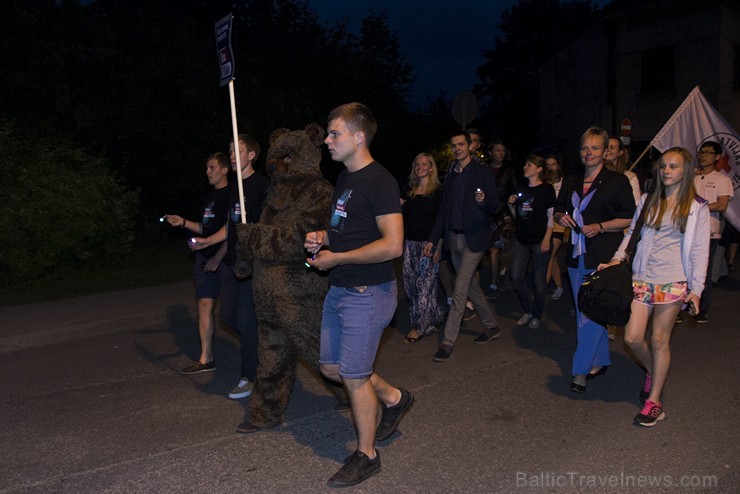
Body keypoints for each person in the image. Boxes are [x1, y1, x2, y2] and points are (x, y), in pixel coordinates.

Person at [304, 102, 413, 488]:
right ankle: (396, 398)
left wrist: (338, 258)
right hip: (340, 288)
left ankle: (366, 456)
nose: (328, 141)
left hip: (368, 291)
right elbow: (346, 231)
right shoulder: (346, 181)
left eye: (335, 134)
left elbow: (393, 245)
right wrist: (324, 238)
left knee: (352, 375)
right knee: (332, 369)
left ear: (359, 136)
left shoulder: (381, 181)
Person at [599, 147, 709, 426]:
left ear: (686, 171)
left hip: (673, 281)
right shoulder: (648, 200)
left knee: (660, 341)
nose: (667, 171)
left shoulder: (696, 207)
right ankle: (655, 371)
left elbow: (699, 250)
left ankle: (654, 402)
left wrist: (696, 289)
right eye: (663, 167)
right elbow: (632, 235)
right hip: (641, 278)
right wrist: (615, 260)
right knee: (632, 338)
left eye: (673, 166)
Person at [554, 126, 635, 393]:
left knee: (588, 315)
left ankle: (580, 370)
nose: (589, 153)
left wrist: (600, 226)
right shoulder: (570, 181)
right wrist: (561, 218)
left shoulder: (617, 181)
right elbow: (558, 211)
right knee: (585, 312)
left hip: (601, 256)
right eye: (584, 148)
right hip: (576, 256)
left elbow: (630, 218)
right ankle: (600, 359)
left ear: (605, 152)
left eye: (595, 148)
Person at [190, 134, 270, 399]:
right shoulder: (234, 188)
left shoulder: (261, 186)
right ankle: (262, 345)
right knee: (227, 317)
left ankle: (249, 376)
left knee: (246, 322)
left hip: (252, 264)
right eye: (230, 151)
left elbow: (269, 226)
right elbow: (230, 225)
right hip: (231, 262)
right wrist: (209, 243)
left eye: (238, 151)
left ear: (252, 155)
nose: (233, 155)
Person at [424, 131, 501, 362]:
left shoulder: (481, 172)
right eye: (453, 145)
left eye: (461, 144)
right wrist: (434, 239)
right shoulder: (452, 175)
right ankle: (492, 326)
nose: (457, 148)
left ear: (470, 146)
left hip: (474, 240)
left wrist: (483, 201)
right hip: (453, 239)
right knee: (470, 288)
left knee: (459, 289)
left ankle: (447, 342)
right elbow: (444, 211)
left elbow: (496, 206)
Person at [164, 152, 231, 374]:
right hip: (204, 259)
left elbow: (235, 231)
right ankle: (206, 358)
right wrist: (183, 222)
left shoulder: (232, 195)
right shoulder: (209, 198)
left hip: (225, 258)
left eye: (212, 167)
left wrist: (217, 256)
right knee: (204, 305)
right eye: (207, 168)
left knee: (233, 314)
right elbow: (206, 229)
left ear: (224, 169)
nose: (207, 172)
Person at [507, 154, 556, 329]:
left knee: (538, 281)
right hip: (521, 239)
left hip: (539, 241)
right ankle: (527, 309)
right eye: (525, 164)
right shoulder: (522, 189)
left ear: (539, 169)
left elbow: (551, 217)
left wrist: (547, 239)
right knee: (516, 275)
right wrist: (511, 205)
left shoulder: (547, 190)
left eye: (529, 164)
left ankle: (537, 314)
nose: (525, 167)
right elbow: (519, 216)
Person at [401, 153, 445, 343]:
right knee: (410, 286)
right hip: (410, 244)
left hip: (429, 244)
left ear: (431, 168)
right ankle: (434, 316)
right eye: (417, 163)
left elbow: (441, 220)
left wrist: (438, 246)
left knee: (424, 286)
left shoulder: (438, 191)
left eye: (424, 164)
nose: (420, 166)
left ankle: (418, 327)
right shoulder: (409, 191)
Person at [692, 140, 734, 323]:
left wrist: (698, 208)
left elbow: (722, 204)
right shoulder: (692, 177)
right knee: (685, 269)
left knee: (705, 273)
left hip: (709, 231)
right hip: (687, 229)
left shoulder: (722, 179)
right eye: (701, 152)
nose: (703, 155)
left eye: (708, 153)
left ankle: (702, 308)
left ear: (717, 157)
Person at [486, 138, 518, 293]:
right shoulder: (484, 168)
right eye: (497, 150)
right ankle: (494, 281)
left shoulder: (509, 169)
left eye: (503, 150)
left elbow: (514, 188)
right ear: (490, 152)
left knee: (504, 248)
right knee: (492, 249)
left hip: (504, 212)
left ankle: (503, 272)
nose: (501, 153)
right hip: (488, 212)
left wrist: (512, 203)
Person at [544, 153, 569, 301]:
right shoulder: (544, 182)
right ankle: (559, 286)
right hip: (546, 221)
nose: (551, 168)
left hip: (559, 223)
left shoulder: (566, 182)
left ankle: (540, 290)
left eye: (553, 164)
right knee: (552, 259)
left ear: (558, 166)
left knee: (549, 255)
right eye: (547, 165)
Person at [605, 136, 641, 205]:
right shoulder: (595, 173)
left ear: (620, 152)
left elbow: (636, 203)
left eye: (612, 147)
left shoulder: (630, 177)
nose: (608, 150)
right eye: (606, 147)